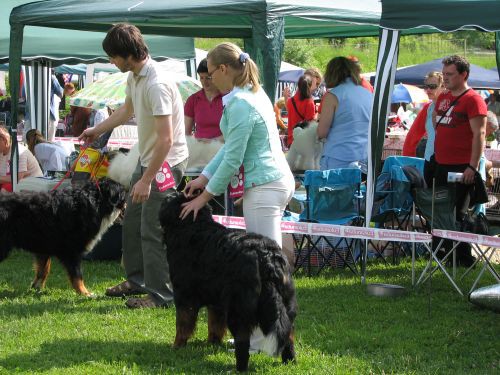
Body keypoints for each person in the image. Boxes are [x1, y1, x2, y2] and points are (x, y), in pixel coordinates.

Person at [79, 23, 189, 309]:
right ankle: (137, 280)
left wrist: (146, 179)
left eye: (113, 56)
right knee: (131, 222)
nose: (111, 62)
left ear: (128, 54)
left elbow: (166, 140)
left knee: (152, 228)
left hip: (166, 162)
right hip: (147, 158)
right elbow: (127, 110)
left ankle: (161, 295)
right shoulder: (135, 77)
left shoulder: (157, 84)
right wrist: (96, 131)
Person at [180, 42, 294, 250]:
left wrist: (204, 198)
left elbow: (233, 158)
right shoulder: (254, 93)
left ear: (223, 69)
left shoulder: (240, 103)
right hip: (273, 180)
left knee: (264, 258)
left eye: (211, 73)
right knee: (269, 257)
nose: (210, 79)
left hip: (263, 186)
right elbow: (230, 146)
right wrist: (204, 178)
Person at [433, 55, 487, 267]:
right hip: (441, 163)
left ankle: (463, 257)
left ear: (463, 75)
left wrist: (472, 167)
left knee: (457, 214)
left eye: (450, 74)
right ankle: (445, 253)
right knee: (440, 211)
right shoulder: (443, 97)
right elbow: (436, 121)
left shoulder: (473, 99)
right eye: (444, 74)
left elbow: (479, 134)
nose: (445, 78)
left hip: (462, 166)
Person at [317, 56, 373, 170]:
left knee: (333, 188)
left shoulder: (332, 96)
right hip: (364, 156)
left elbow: (321, 132)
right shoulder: (369, 94)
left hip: (338, 157)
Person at [402, 71, 445, 187]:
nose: (428, 90)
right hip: (429, 160)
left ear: (443, 86)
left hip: (446, 161)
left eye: (433, 87)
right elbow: (413, 136)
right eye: (427, 87)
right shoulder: (428, 108)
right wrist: (407, 161)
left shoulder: (450, 106)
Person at [184, 58, 223, 140]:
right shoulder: (192, 100)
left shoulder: (227, 98)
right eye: (201, 78)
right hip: (200, 148)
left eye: (208, 78)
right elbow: (186, 133)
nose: (204, 82)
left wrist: (211, 141)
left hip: (223, 148)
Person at [0, 126, 42, 192]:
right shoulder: (1, 152)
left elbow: (17, 178)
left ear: (4, 140)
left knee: (4, 190)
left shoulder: (19, 151)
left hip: (33, 186)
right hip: (18, 184)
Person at [286, 75, 316, 146]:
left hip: (291, 140)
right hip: (303, 141)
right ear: (310, 86)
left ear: (298, 85)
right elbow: (310, 124)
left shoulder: (290, 101)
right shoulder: (309, 102)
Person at [48, 73, 63, 142]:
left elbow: (23, 94)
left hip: (31, 115)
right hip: (49, 113)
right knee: (49, 141)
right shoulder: (52, 77)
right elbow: (60, 93)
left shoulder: (28, 75)